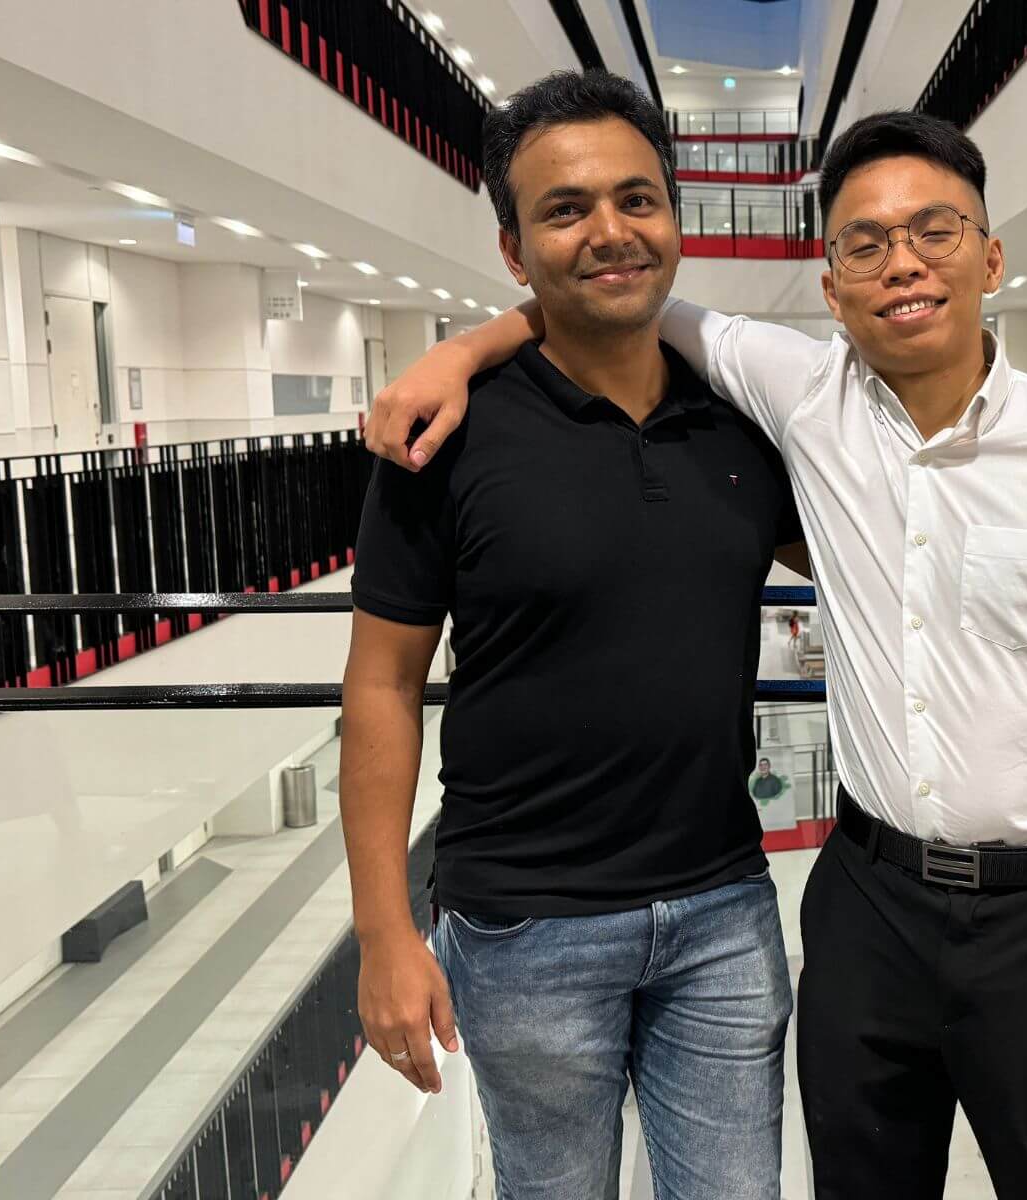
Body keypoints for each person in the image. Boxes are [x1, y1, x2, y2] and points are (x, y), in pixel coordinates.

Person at [369, 100, 1027, 1200]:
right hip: (844, 908)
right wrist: (468, 346)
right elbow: (612, 294)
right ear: (829, 286)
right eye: (864, 244)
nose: (903, 265)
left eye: (934, 232)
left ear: (989, 256)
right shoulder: (804, 401)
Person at [337, 70, 803, 1200]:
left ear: (675, 218)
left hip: (723, 912)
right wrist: (385, 938)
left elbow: (898, 545)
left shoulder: (739, 424)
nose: (610, 231)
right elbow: (383, 689)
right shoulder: (443, 438)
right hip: (522, 929)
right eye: (566, 209)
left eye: (637, 200)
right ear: (513, 248)